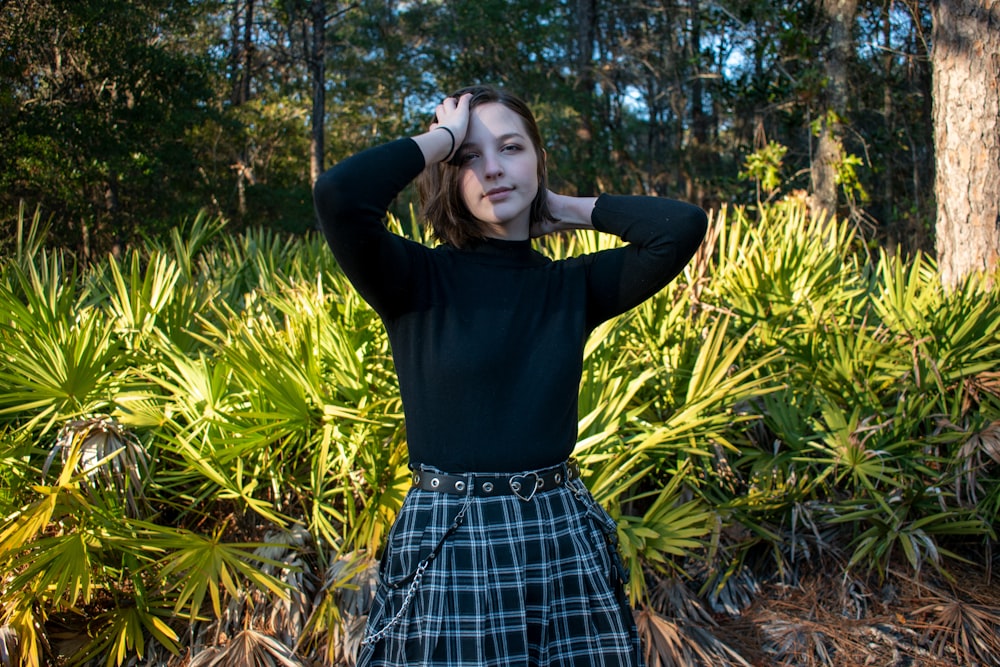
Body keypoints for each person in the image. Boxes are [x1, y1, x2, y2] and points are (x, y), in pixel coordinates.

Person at [313, 85, 707, 666]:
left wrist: (559, 207)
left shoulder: (568, 287)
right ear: (448, 173)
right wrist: (440, 138)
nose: (492, 169)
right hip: (450, 541)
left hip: (560, 533)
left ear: (538, 161)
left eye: (511, 149)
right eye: (469, 157)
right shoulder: (413, 279)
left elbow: (680, 227)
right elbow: (340, 195)